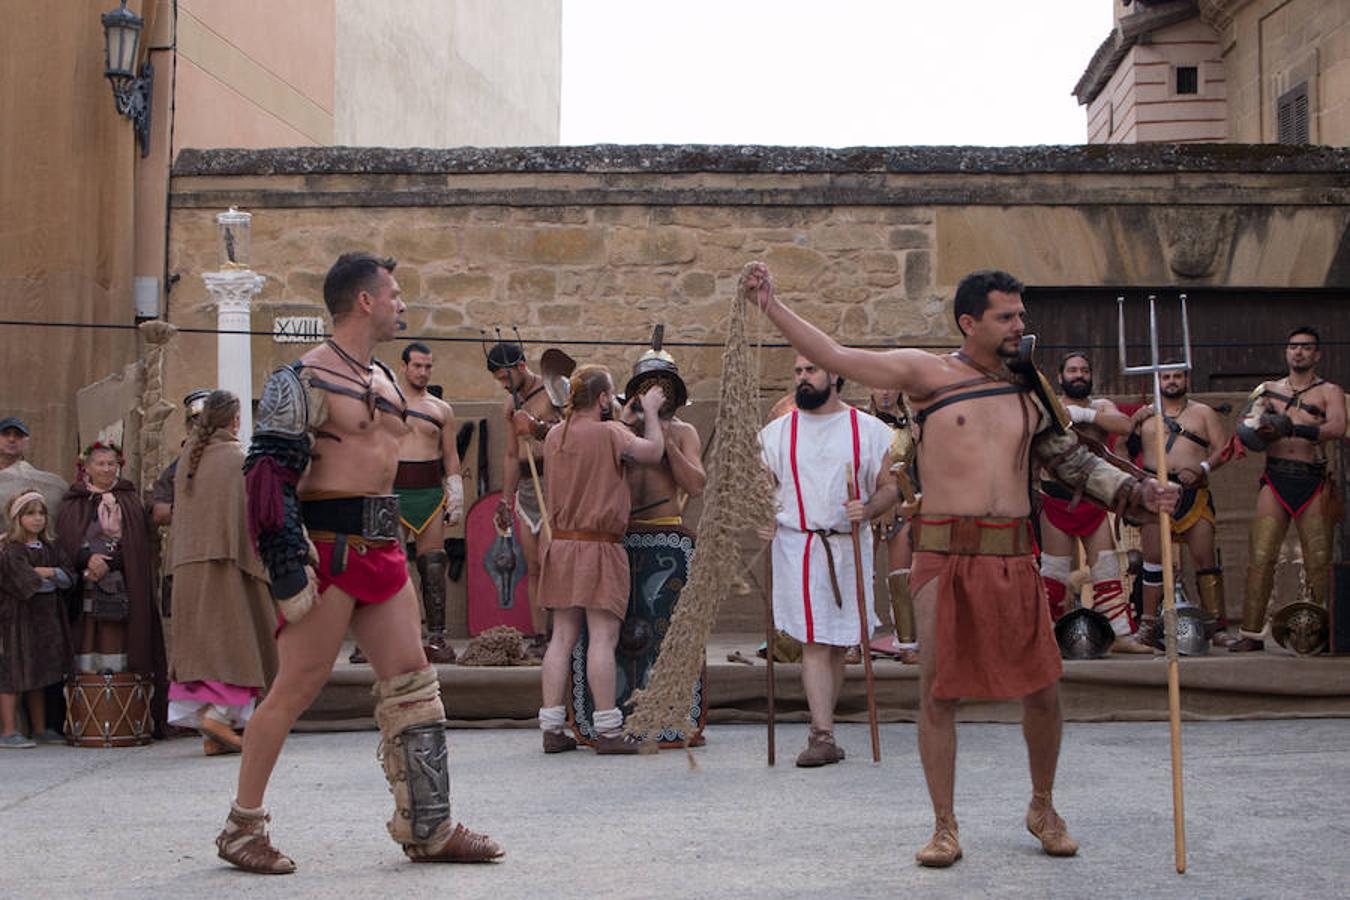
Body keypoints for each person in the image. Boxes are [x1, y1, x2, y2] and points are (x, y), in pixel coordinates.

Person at [742, 263, 1178, 867]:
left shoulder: (1031, 386)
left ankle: (1043, 807)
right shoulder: (927, 374)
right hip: (943, 556)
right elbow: (835, 353)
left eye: (1021, 314)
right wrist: (772, 305)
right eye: (1007, 316)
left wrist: (1136, 492)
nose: (1019, 325)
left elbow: (1071, 462)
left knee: (1044, 691)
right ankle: (944, 826)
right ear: (970, 322)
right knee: (938, 695)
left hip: (1012, 556)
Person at [220, 252, 501, 875]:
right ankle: (242, 827)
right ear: (365, 301)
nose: (403, 304)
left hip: (384, 546)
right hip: (327, 551)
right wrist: (287, 565)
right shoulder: (302, 379)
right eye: (394, 294)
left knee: (413, 684)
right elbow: (267, 475)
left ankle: (429, 825)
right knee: (293, 689)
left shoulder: (383, 378)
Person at [759, 356, 897, 766]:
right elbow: (758, 490)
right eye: (798, 371)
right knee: (817, 642)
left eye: (811, 370)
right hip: (799, 546)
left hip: (848, 545)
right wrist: (760, 518)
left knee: (838, 642)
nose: (802, 377)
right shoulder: (776, 434)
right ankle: (821, 734)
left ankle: (827, 729)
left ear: (834, 375)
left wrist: (869, 508)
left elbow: (890, 488)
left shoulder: (869, 431)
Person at [536, 366, 666, 754]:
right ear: (603, 398)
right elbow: (654, 452)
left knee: (561, 637)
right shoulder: (611, 434)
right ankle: (608, 730)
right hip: (598, 546)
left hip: (561, 545)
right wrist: (654, 413)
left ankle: (551, 726)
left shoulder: (556, 435)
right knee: (603, 639)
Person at [166, 391, 279, 756]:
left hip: (189, 568)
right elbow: (256, 513)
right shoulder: (235, 459)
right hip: (225, 565)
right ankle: (218, 715)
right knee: (235, 645)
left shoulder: (188, 459)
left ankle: (216, 732)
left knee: (204, 649)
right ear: (235, 421)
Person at [1230, 326, 1346, 652]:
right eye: (1294, 346)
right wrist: (1262, 428)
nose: (1299, 352)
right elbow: (1246, 426)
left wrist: (1295, 427)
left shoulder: (1329, 392)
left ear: (1317, 354)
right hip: (1276, 477)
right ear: (1286, 351)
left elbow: (1336, 426)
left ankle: (1323, 632)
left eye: (1306, 348)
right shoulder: (1266, 389)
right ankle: (1251, 633)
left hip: (1312, 479)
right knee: (1261, 555)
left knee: (1318, 560)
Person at [1039, 352, 1148, 653]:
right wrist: (1066, 412)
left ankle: (1120, 634)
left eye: (1084, 370)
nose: (1079, 375)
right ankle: (1047, 637)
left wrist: (1083, 415)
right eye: (1072, 370)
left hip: (1094, 499)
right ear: (1060, 377)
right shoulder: (1049, 406)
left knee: (1107, 568)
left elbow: (1124, 426)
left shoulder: (1101, 407)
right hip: (1055, 498)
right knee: (1055, 572)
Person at [55, 441, 166, 724]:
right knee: (88, 638)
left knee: (120, 638)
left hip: (123, 584)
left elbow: (137, 544)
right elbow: (67, 538)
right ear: (87, 468)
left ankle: (124, 716)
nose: (106, 468)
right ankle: (87, 716)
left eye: (111, 463)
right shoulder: (74, 500)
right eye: (100, 463)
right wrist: (86, 557)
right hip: (86, 585)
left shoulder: (128, 500)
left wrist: (110, 561)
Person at [1128, 367, 1233, 647]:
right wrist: (1139, 480)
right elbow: (1123, 451)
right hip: (1156, 493)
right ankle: (1148, 624)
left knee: (1204, 559)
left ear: (1186, 379)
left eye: (1177, 376)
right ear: (1157, 381)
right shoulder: (1144, 416)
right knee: (1152, 560)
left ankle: (1216, 625)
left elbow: (1224, 448)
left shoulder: (1202, 413)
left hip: (1193, 492)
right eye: (1166, 377)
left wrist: (1202, 468)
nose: (1171, 381)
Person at [486, 341, 563, 659]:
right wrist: (506, 498)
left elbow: (571, 432)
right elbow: (510, 455)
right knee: (532, 566)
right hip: (528, 489)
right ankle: (540, 636)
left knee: (551, 563)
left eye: (506, 378)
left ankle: (562, 635)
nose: (504, 385)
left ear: (520, 367)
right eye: (499, 382)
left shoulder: (555, 390)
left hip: (555, 484)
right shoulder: (510, 405)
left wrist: (536, 426)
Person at [393, 341, 463, 664]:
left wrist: (456, 495)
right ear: (404, 366)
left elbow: (450, 455)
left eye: (428, 366)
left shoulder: (441, 409)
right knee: (388, 565)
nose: (423, 372)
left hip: (430, 493)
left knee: (433, 563)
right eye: (417, 365)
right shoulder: (386, 402)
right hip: (391, 491)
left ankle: (436, 636)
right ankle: (388, 635)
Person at [0, 492, 73, 748]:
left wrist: (50, 571)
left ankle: (40, 728)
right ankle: (8, 731)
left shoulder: (51, 548)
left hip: (45, 620)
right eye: (30, 514)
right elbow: (25, 582)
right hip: (17, 620)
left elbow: (67, 577)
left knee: (39, 672)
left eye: (41, 513)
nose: (37, 519)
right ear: (18, 518)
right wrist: (46, 578)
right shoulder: (11, 550)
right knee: (13, 673)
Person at [866, 386, 920, 664]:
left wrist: (903, 503)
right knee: (861, 575)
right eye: (879, 386)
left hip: (902, 505)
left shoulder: (913, 427)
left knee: (901, 577)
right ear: (869, 389)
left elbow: (917, 471)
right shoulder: (859, 424)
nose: (885, 392)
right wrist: (874, 507)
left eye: (890, 386)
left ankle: (907, 643)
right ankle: (854, 641)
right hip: (868, 507)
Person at [150, 390, 212, 528]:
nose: (202, 429)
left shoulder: (234, 458)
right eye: (196, 422)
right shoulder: (177, 468)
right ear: (189, 428)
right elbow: (159, 512)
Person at [0, 416, 69, 518]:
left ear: (26, 443)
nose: (12, 439)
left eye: (18, 435)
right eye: (6, 434)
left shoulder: (43, 482)